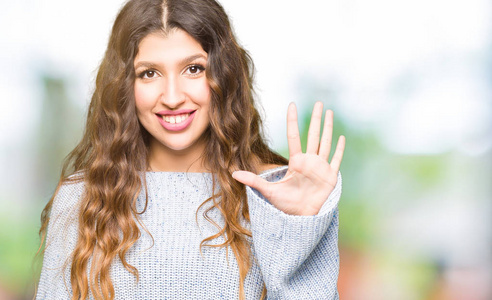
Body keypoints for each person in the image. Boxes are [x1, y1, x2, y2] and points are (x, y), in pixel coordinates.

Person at [35, 0, 346, 299]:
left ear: (224, 77)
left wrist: (301, 228)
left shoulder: (274, 195)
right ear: (124, 86)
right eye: (149, 73)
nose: (172, 97)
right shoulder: (84, 198)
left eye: (194, 69)